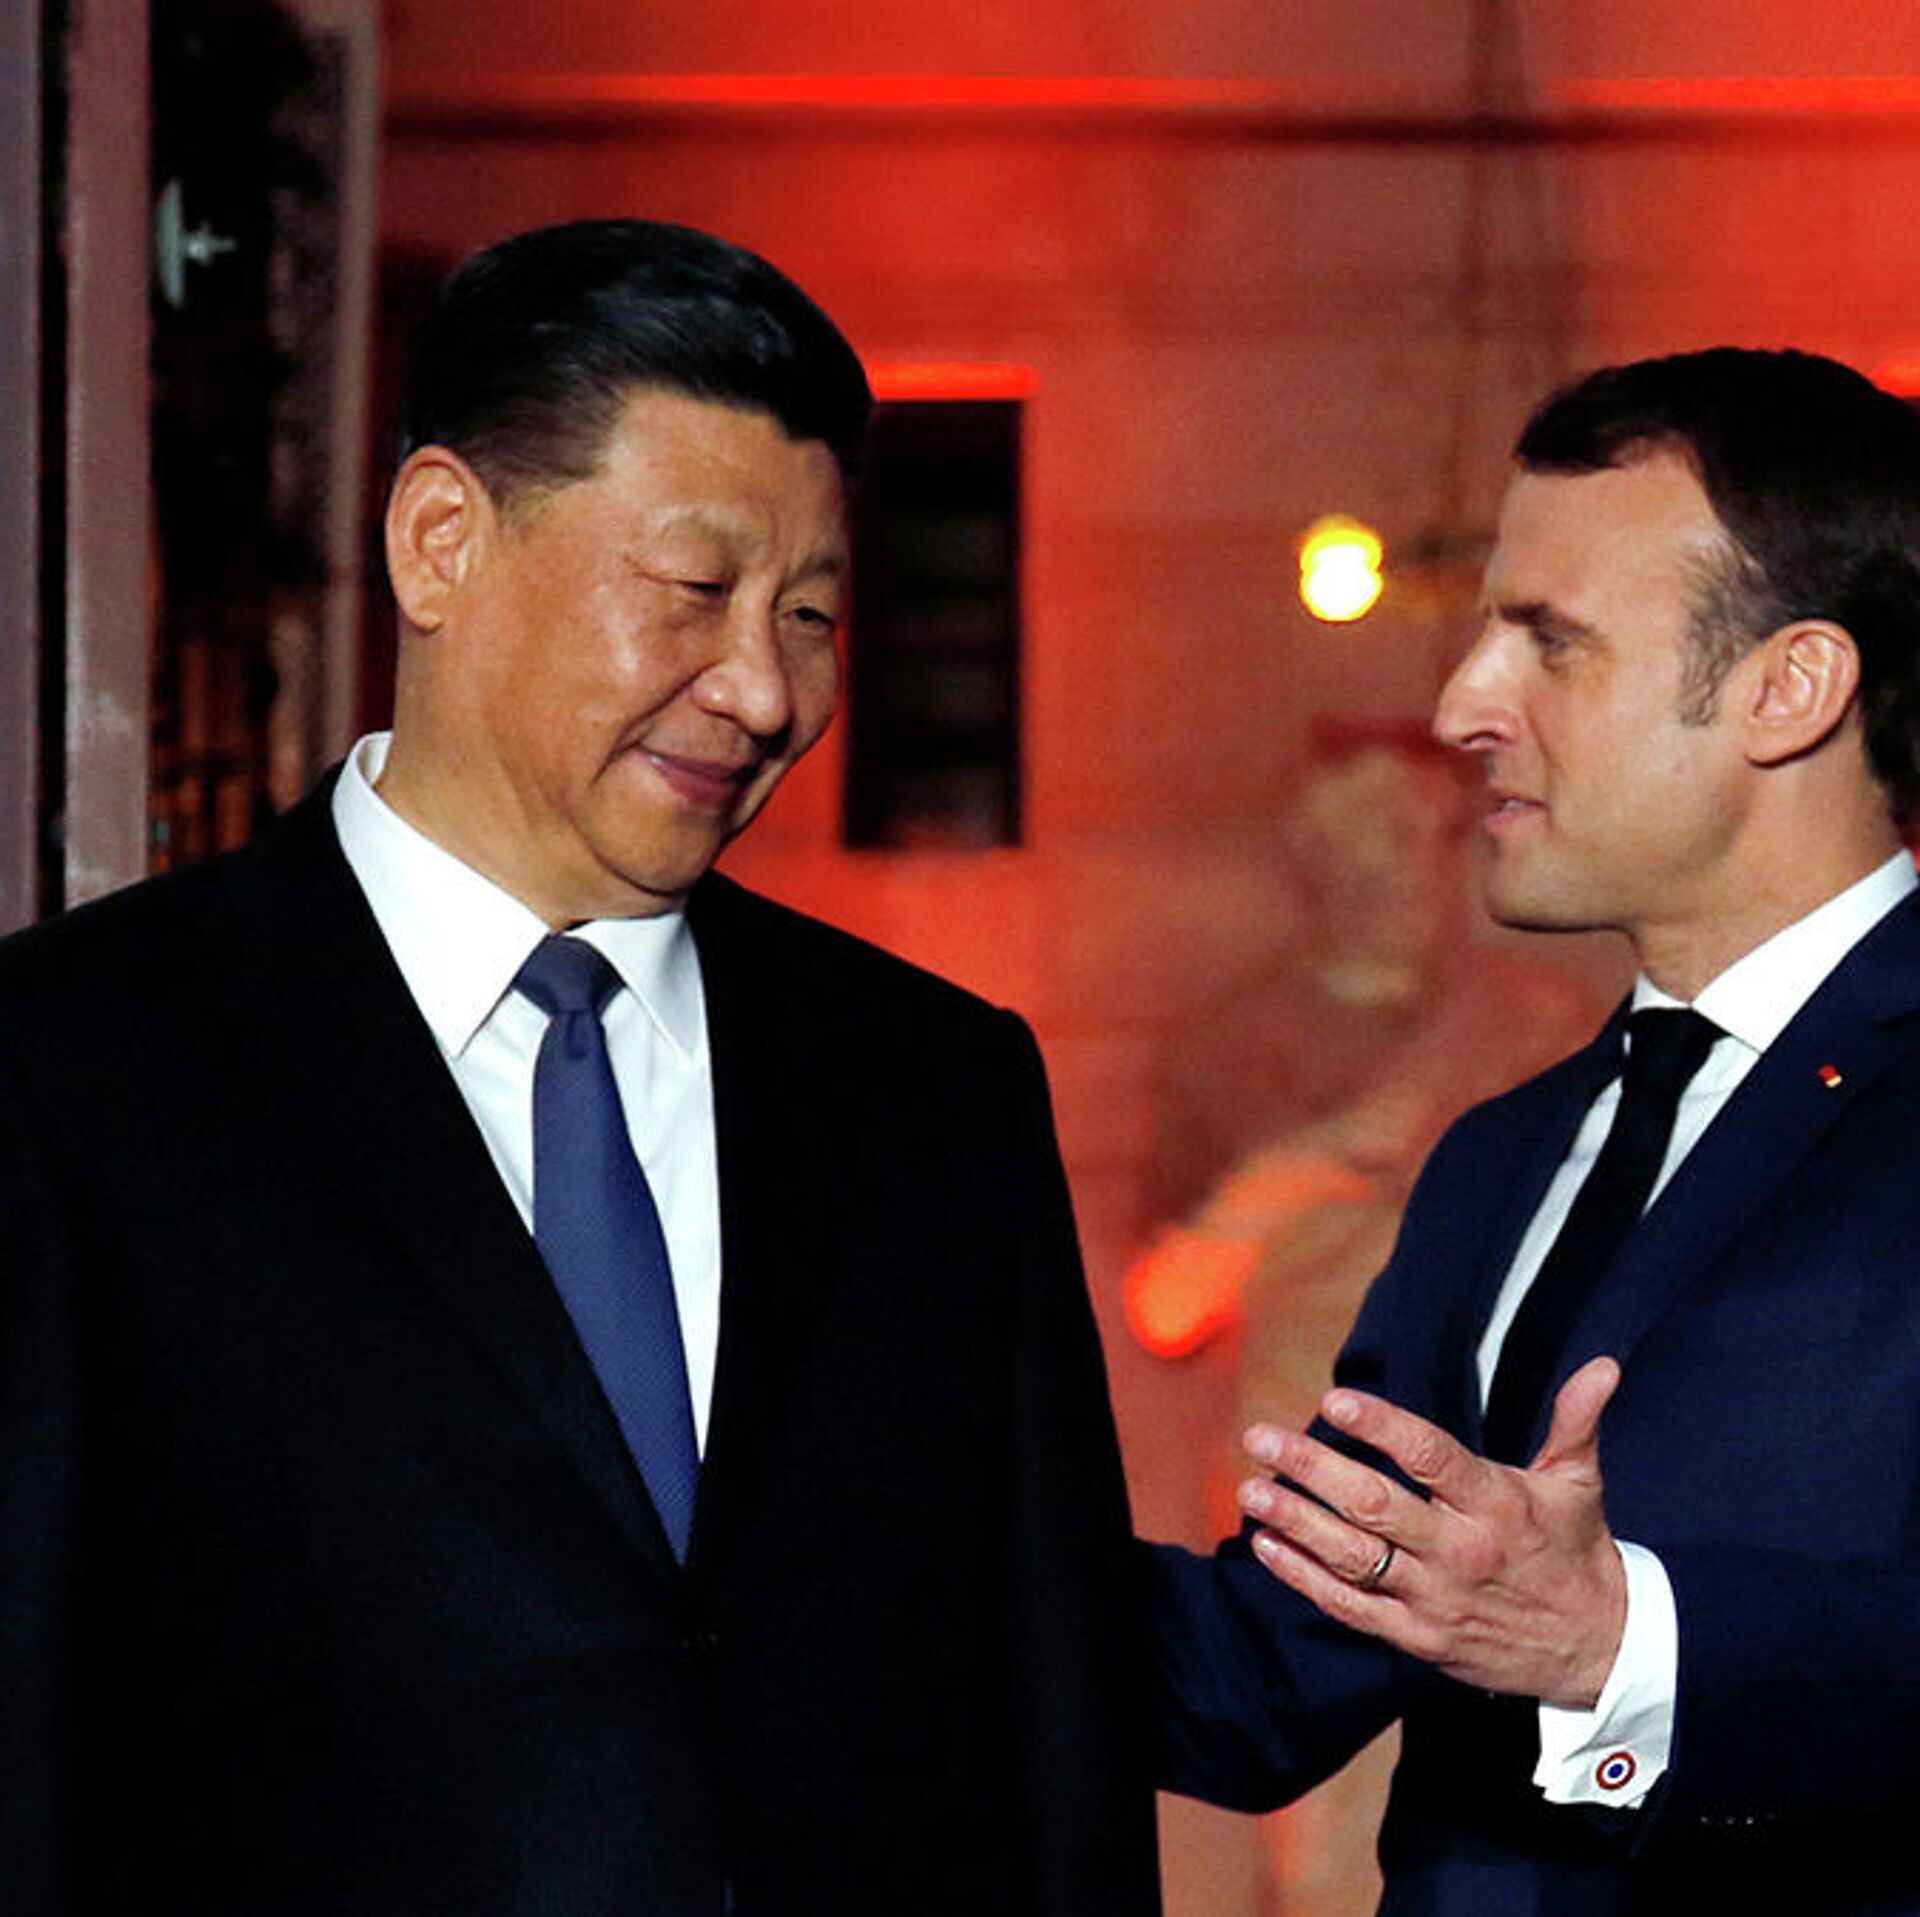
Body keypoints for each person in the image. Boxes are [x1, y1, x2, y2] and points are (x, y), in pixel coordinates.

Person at [0, 220, 1158, 1917]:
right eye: (696, 590)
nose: (763, 689)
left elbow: (1060, 1734)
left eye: (812, 614)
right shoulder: (74, 1072)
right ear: (441, 542)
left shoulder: (938, 1094)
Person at [1149, 347, 1920, 1913]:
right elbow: (1269, 1669)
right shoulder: (1500, 1155)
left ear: (1788, 689)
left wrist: (1619, 1645)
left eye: (1550, 642)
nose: (1460, 706)